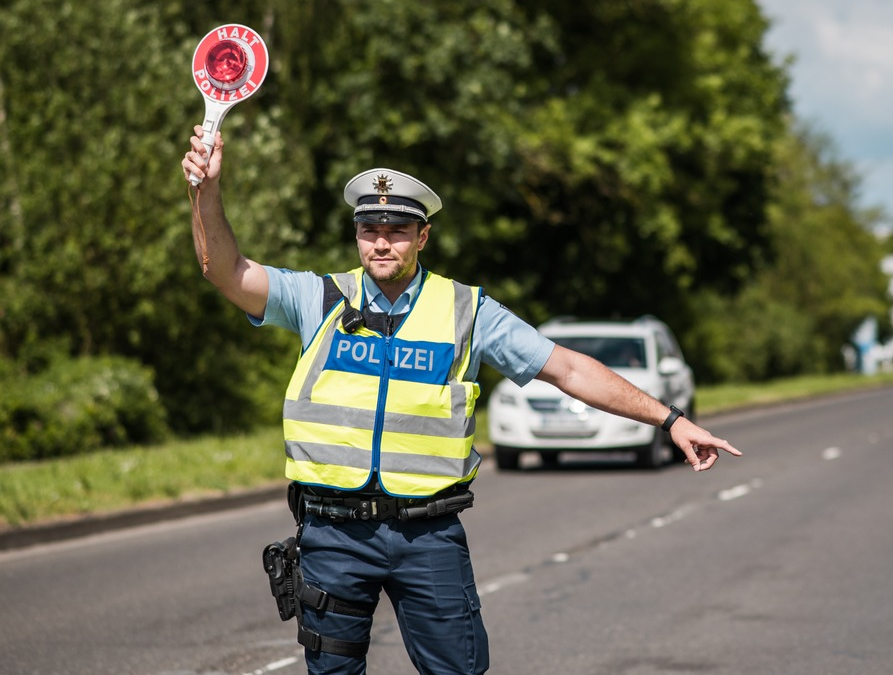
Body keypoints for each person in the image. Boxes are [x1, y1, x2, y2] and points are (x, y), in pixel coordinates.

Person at [181, 128, 742, 675]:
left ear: (422, 236)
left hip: (427, 537)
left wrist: (669, 419)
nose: (381, 241)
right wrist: (206, 190)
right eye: (368, 227)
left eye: (397, 228)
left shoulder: (467, 310)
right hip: (333, 533)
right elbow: (223, 269)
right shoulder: (317, 297)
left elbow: (568, 368)